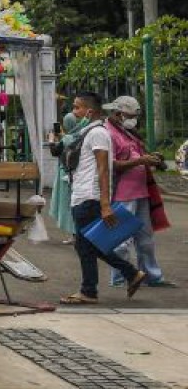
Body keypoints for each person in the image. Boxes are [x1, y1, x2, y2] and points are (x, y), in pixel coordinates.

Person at [60, 91, 146, 304]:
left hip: (89, 196)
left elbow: (103, 169)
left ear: (89, 111)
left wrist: (105, 204)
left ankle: (90, 290)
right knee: (88, 244)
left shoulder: (98, 133)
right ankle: (130, 273)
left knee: (85, 245)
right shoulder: (89, 131)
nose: (74, 111)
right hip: (82, 195)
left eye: (77, 107)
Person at [103, 96, 176, 289]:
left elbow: (135, 155)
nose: (133, 119)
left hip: (141, 191)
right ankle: (120, 279)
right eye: (129, 115)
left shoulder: (127, 132)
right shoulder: (108, 133)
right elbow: (111, 165)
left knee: (146, 239)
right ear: (118, 114)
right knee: (121, 241)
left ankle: (152, 276)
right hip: (122, 193)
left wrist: (151, 158)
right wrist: (141, 161)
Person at [46, 109, 84, 243]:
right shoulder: (81, 134)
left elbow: (55, 152)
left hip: (65, 174)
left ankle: (74, 234)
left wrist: (51, 140)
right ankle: (77, 234)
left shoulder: (67, 138)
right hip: (77, 173)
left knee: (67, 204)